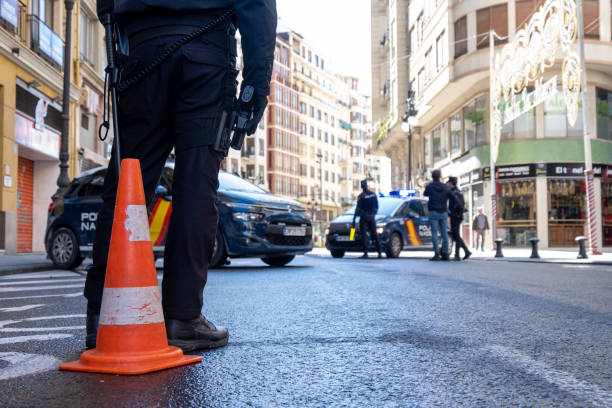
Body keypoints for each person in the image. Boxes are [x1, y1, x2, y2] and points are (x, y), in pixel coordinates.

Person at [84, 0, 277, 351]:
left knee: (128, 185)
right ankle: (182, 318)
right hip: (207, 52)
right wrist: (255, 86)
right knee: (196, 189)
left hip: (143, 51)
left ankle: (102, 314)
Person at [423, 169, 456, 261]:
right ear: (440, 176)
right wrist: (450, 210)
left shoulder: (430, 186)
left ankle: (437, 254)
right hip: (443, 212)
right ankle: (445, 254)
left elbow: (425, 194)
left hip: (433, 211)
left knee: (434, 233)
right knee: (444, 232)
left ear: (432, 177)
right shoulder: (445, 187)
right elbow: (453, 197)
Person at [352, 180, 382, 259]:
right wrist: (372, 214)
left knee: (364, 235)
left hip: (364, 218)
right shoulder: (373, 194)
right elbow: (376, 207)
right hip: (371, 217)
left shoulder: (361, 196)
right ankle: (379, 253)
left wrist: (354, 219)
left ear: (362, 186)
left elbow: (358, 209)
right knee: (374, 234)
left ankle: (366, 253)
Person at [447, 177, 471, 261]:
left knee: (456, 235)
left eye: (448, 183)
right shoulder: (458, 191)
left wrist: (449, 213)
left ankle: (458, 254)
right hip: (458, 216)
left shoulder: (454, 193)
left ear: (451, 183)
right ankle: (465, 251)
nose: (447, 185)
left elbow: (454, 205)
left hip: (456, 216)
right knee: (456, 235)